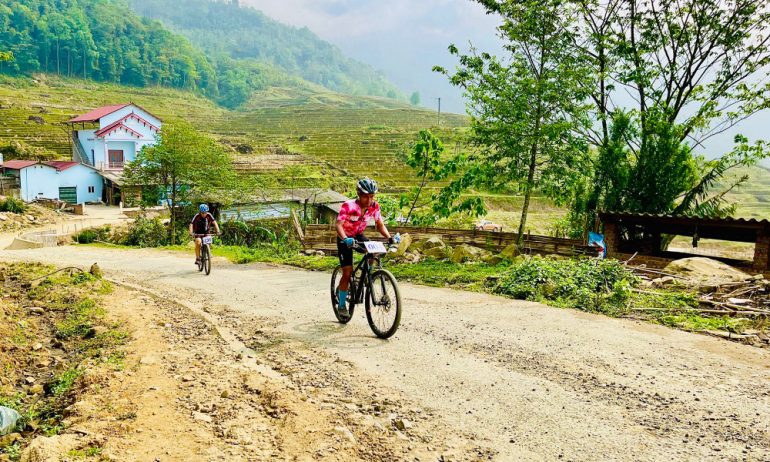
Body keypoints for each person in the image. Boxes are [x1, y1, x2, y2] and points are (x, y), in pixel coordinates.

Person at [335, 178, 399, 316]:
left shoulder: (374, 206)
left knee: (374, 252)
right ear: (358, 194)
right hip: (344, 238)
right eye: (366, 196)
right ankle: (341, 305)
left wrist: (389, 238)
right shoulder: (348, 206)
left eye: (371, 196)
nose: (369, 200)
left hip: (358, 235)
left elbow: (380, 224)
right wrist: (345, 239)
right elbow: (338, 225)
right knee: (347, 272)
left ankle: (362, 277)